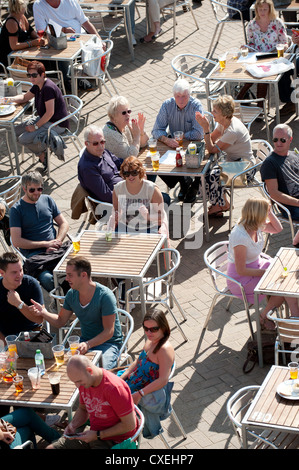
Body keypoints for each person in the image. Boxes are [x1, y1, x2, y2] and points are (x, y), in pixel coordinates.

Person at [30, 257, 123, 370]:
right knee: (66, 370)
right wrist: (43, 312)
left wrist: (88, 344)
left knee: (97, 374)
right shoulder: (71, 294)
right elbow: (60, 321)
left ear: (83, 275)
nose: (66, 279)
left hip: (108, 344)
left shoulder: (105, 296)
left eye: (70, 275)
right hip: (84, 343)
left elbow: (109, 332)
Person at [227, 197, 299, 330]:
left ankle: (294, 318)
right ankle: (267, 316)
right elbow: (241, 270)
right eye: (266, 212)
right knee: (281, 287)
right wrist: (267, 273)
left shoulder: (256, 224)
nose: (268, 215)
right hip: (241, 278)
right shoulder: (240, 236)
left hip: (257, 266)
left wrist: (270, 211)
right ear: (258, 215)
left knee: (286, 280)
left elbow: (278, 229)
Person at [47, 355, 138, 449]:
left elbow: (130, 425)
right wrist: (73, 424)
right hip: (94, 434)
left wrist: (97, 435)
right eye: (74, 382)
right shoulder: (85, 382)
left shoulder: (115, 389)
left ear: (89, 371)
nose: (77, 386)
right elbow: (83, 409)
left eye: (79, 381)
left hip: (115, 441)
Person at [195, 94, 256, 216]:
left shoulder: (232, 131)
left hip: (245, 170)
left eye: (215, 111)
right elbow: (212, 138)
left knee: (213, 176)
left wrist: (205, 128)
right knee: (206, 172)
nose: (212, 113)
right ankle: (221, 203)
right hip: (234, 163)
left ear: (224, 114)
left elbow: (212, 149)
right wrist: (206, 132)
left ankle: (222, 205)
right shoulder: (224, 122)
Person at [119, 308, 174, 438]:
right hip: (133, 379)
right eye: (146, 328)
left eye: (154, 329)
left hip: (144, 388)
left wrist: (139, 394)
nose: (149, 332)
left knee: (111, 402)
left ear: (163, 327)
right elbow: (139, 360)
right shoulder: (150, 341)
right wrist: (125, 374)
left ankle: (120, 436)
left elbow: (163, 380)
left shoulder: (164, 350)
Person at [3, 60, 69, 169]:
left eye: (34, 75)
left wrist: (35, 126)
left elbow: (50, 112)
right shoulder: (38, 84)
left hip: (56, 124)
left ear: (42, 74)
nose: (31, 78)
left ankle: (42, 155)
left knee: (23, 138)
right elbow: (25, 97)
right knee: (15, 131)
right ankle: (42, 153)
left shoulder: (48, 88)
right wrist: (6, 100)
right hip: (44, 119)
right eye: (29, 75)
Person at [9, 171, 69, 292]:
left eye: (40, 189)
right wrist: (46, 244)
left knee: (80, 267)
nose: (37, 193)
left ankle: (74, 298)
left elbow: (64, 223)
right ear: (24, 188)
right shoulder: (16, 210)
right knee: (47, 279)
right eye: (32, 190)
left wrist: (57, 241)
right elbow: (16, 241)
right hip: (35, 255)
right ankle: (61, 301)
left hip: (55, 249)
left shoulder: (47, 200)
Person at [152, 78, 204, 203]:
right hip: (174, 145)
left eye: (184, 96)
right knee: (157, 164)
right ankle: (183, 181)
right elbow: (156, 130)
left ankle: (195, 185)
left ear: (189, 95)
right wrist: (166, 139)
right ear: (173, 95)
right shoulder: (167, 105)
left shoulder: (196, 106)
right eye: (178, 96)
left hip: (193, 144)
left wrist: (182, 136)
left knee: (198, 160)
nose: (181, 100)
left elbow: (199, 133)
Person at [237, 0, 289, 112]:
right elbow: (251, 43)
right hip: (258, 57)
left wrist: (282, 47)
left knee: (261, 73)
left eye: (265, 9)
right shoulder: (252, 24)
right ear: (256, 10)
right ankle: (259, 107)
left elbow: (285, 43)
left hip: (274, 57)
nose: (262, 12)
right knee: (257, 71)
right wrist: (246, 47)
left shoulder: (277, 22)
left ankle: (243, 96)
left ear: (270, 9)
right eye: (260, 9)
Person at [112, 156, 170, 234]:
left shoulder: (151, 189)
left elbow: (162, 215)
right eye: (127, 173)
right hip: (126, 227)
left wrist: (148, 216)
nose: (130, 176)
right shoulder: (118, 189)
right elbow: (116, 211)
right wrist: (117, 215)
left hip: (149, 227)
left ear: (140, 172)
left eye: (134, 173)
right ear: (123, 174)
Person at [0, 252, 44, 343]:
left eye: (21, 270)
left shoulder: (31, 284)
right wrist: (5, 341)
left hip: (33, 331)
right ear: (2, 273)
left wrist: (19, 304)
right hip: (9, 336)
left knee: (44, 354)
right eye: (14, 272)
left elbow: (39, 319)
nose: (19, 275)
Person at [260, 124, 299, 221]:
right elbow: (274, 194)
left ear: (290, 140)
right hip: (292, 207)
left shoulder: (294, 155)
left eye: (282, 140)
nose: (278, 143)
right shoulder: (269, 163)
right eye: (275, 140)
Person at [78, 125, 123, 204]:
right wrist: (130, 196)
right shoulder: (88, 168)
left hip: (125, 186)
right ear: (86, 144)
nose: (100, 146)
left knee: (146, 177)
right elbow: (106, 196)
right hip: (115, 204)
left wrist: (135, 167)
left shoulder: (102, 151)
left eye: (102, 142)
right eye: (95, 143)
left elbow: (119, 163)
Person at [103, 96, 149, 160]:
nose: (128, 115)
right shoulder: (111, 135)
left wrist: (141, 131)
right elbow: (129, 158)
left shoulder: (126, 124)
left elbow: (144, 144)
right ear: (113, 117)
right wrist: (136, 137)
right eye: (124, 113)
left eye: (129, 111)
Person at [0, 0, 45, 67]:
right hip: (10, 59)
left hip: (21, 54)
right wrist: (32, 43)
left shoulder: (22, 17)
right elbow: (14, 46)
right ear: (21, 8)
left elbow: (30, 31)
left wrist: (38, 38)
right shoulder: (11, 22)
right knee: (42, 63)